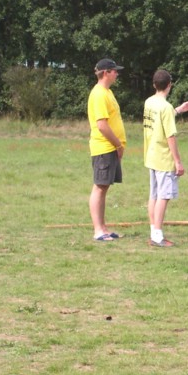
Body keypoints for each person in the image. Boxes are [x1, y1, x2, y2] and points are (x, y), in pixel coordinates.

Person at [143, 69, 188, 247]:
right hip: (163, 159)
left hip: (151, 155)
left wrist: (178, 110)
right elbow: (170, 136)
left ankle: (153, 231)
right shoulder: (166, 107)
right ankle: (157, 236)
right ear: (169, 85)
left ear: (154, 84)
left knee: (154, 195)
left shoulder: (149, 102)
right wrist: (178, 161)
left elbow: (160, 119)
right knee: (163, 196)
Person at [87, 58, 126, 242]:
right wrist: (117, 144)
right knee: (99, 187)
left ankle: (103, 228)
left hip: (109, 148)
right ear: (105, 73)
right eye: (114, 71)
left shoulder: (107, 92)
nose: (117, 74)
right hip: (103, 147)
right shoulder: (99, 94)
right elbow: (102, 125)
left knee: (104, 187)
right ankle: (98, 230)